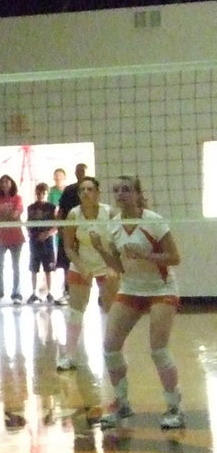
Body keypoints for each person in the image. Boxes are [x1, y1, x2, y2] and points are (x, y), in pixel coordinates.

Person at [86, 176, 183, 430]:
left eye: (126, 190)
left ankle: (174, 407)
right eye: (116, 190)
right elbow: (118, 266)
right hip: (131, 289)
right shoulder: (114, 225)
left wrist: (146, 255)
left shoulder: (153, 221)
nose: (120, 194)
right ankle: (122, 404)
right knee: (110, 347)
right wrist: (99, 249)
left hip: (161, 289)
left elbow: (175, 257)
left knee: (158, 349)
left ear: (138, 194)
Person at [57, 176, 118, 371]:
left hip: (106, 264)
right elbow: (68, 247)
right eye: (82, 190)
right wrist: (81, 267)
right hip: (81, 264)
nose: (85, 193)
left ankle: (114, 353)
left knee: (112, 311)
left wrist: (112, 267)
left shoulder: (109, 213)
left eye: (90, 189)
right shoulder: (74, 214)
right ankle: (69, 356)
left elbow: (118, 244)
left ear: (98, 193)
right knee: (76, 311)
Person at [54, 163, 88, 304]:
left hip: (86, 231)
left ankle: (97, 293)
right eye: (78, 171)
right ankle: (68, 292)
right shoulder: (69, 190)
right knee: (68, 263)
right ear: (75, 173)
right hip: (70, 230)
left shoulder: (90, 188)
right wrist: (60, 229)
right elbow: (61, 211)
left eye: (82, 171)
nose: (80, 173)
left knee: (94, 260)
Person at [0, 174, 24, 304]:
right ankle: (0, 292)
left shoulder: (18, 198)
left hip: (16, 237)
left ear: (11, 183)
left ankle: (16, 294)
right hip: (0, 238)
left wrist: (2, 216)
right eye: (2, 182)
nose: (4, 184)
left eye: (7, 181)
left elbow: (16, 214)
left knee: (16, 266)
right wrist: (4, 216)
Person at [25, 182, 58, 303]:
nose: (40, 195)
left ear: (47, 193)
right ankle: (34, 292)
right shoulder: (31, 208)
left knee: (48, 268)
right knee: (34, 268)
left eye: (43, 193)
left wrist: (47, 234)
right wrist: (31, 233)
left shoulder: (52, 208)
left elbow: (56, 226)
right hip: (34, 241)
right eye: (38, 193)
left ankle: (50, 292)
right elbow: (28, 223)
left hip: (47, 242)